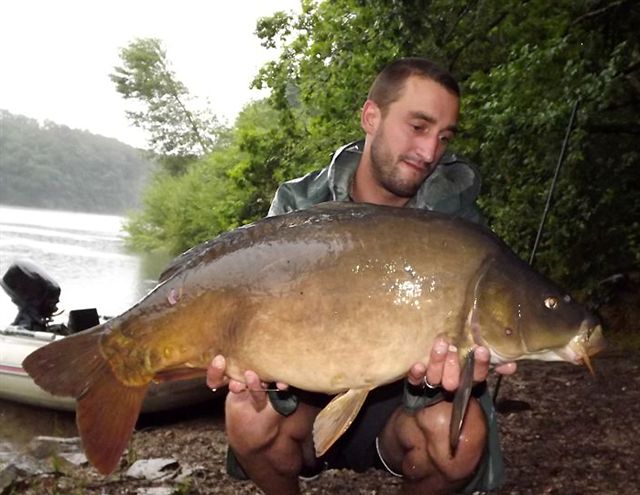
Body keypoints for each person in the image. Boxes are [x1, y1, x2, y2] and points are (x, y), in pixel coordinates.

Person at [206, 57, 516, 494]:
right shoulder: (300, 204)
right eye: (418, 126)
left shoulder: (457, 229)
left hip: (399, 413)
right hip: (308, 404)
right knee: (246, 416)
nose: (430, 153)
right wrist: (253, 369)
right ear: (372, 117)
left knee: (459, 438)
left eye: (443, 137)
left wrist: (438, 381)